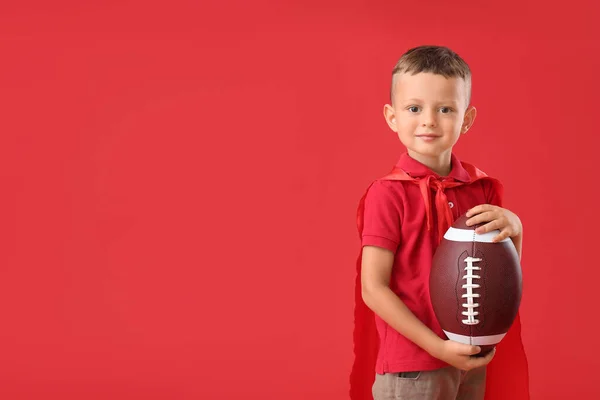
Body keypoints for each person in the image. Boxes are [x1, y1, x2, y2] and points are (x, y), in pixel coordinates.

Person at [349, 45, 530, 400]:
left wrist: (517, 230)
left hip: (468, 357)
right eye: (414, 108)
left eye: (445, 109)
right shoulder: (388, 193)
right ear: (392, 117)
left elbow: (500, 277)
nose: (429, 120)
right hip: (411, 366)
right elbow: (373, 288)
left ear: (467, 118)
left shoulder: (482, 188)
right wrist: (435, 347)